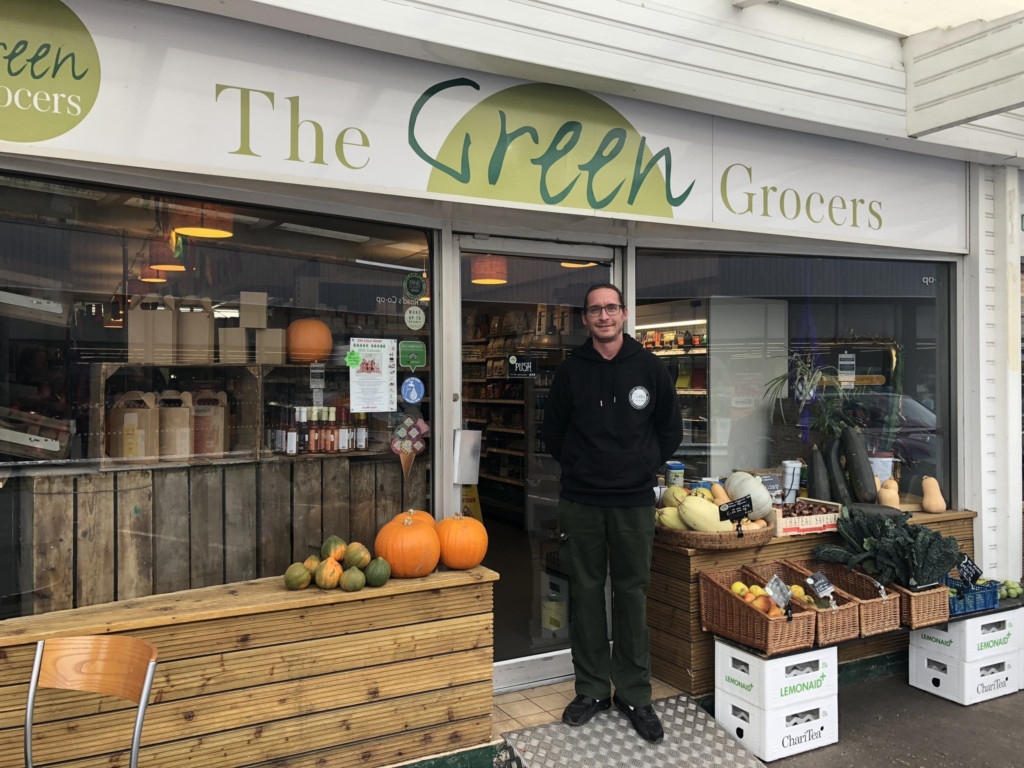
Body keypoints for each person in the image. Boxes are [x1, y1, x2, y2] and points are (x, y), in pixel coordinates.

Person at [542, 283, 682, 743]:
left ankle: (636, 694)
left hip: (633, 502)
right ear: (585, 319)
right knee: (584, 594)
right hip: (581, 501)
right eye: (594, 310)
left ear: (624, 314)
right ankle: (592, 690)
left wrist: (641, 466)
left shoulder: (650, 369)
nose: (603, 316)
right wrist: (582, 467)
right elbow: (553, 433)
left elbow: (671, 431)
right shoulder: (570, 373)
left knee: (632, 595)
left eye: (611, 308)